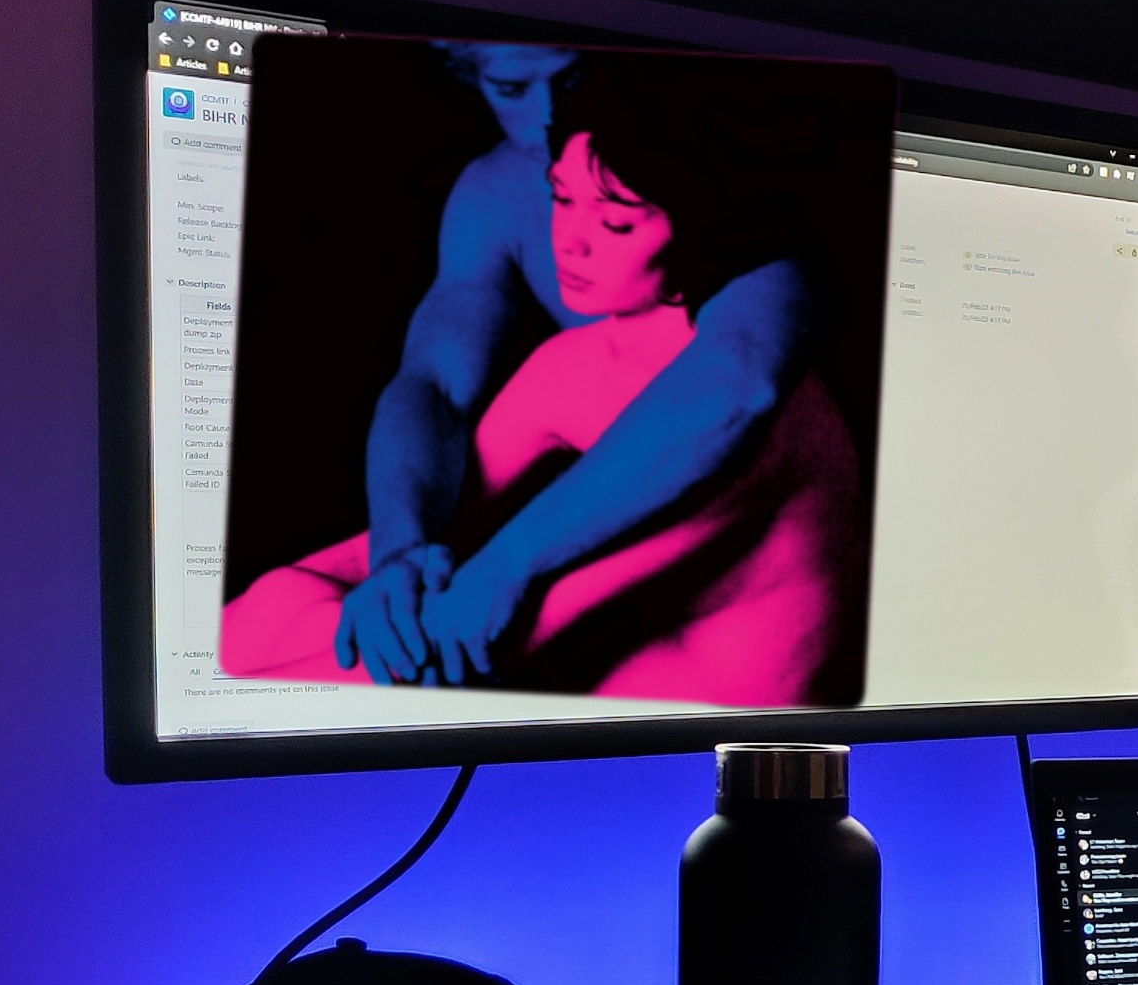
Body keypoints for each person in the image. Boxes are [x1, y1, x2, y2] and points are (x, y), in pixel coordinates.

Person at [221, 59, 865, 704]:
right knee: (289, 594)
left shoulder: (728, 423)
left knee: (361, 642)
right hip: (602, 676)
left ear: (697, 223)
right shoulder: (576, 362)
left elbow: (459, 641)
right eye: (560, 198)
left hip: (691, 737)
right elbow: (432, 515)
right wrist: (398, 561)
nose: (569, 243)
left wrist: (195, 706)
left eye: (616, 222)